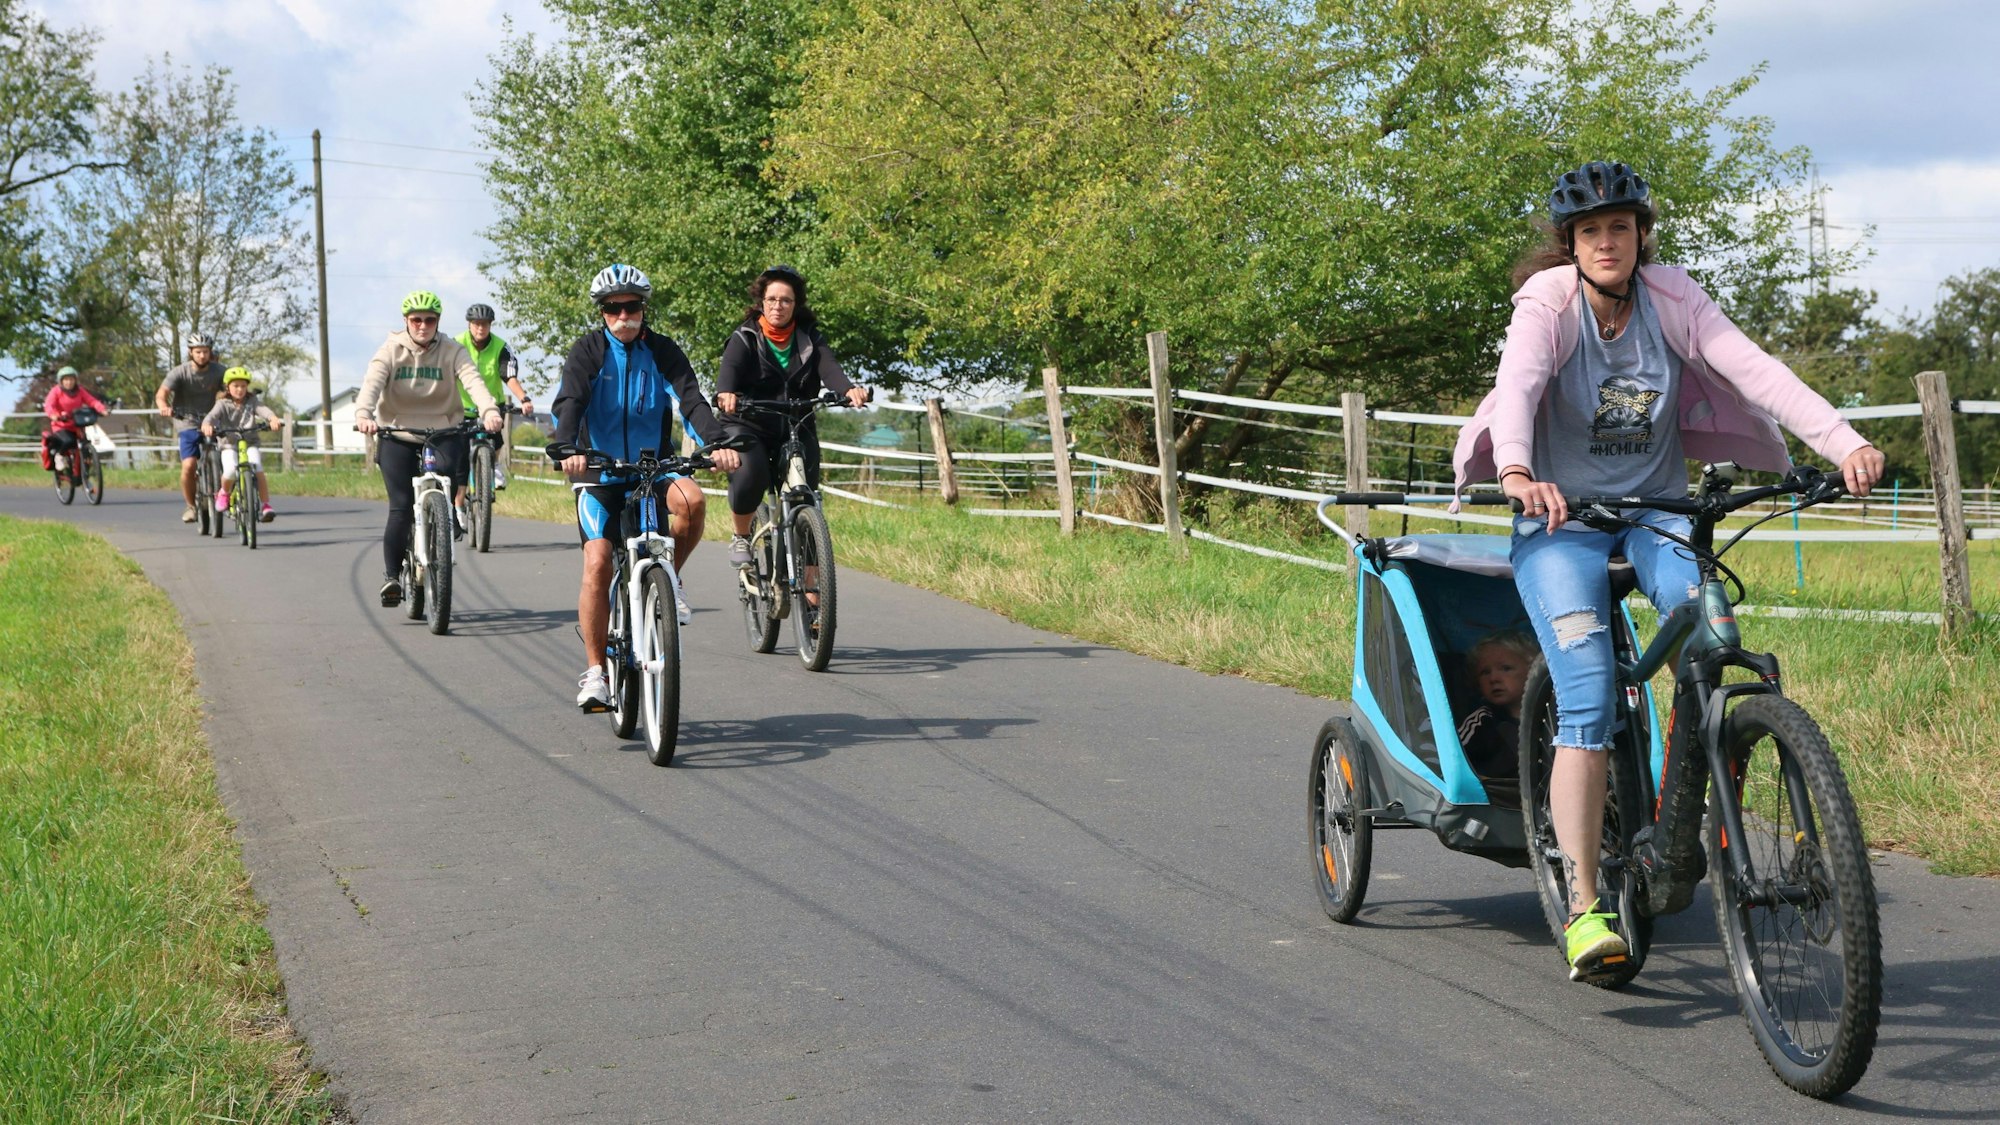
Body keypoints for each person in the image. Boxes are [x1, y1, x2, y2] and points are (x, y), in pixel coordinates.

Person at [1452, 160, 1886, 982]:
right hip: (1559, 520)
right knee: (1587, 695)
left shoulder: (1673, 296)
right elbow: (1519, 385)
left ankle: (1701, 804)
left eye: (1619, 227)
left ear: (1641, 234)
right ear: (1570, 244)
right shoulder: (1548, 304)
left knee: (1709, 628)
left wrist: (1843, 441)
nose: (1605, 242)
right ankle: (1585, 903)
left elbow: (1755, 369)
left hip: (1656, 512)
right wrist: (1516, 470)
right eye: (1589, 231)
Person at [551, 264, 741, 712]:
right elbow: (570, 401)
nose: (624, 316)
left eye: (632, 306)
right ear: (602, 312)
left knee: (692, 501)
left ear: (643, 308)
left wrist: (717, 442)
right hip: (599, 473)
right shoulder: (588, 350)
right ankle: (596, 672)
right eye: (613, 308)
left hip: (652, 469)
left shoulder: (662, 350)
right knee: (598, 561)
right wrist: (567, 447)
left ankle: (670, 578)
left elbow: (690, 399)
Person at [714, 264, 869, 570]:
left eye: (786, 300)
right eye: (772, 299)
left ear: (796, 304)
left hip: (796, 426)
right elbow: (729, 372)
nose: (778, 306)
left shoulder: (810, 339)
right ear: (761, 302)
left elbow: (830, 369)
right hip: (748, 423)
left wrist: (848, 389)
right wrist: (726, 393)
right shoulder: (745, 337)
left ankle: (812, 589)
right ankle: (741, 535)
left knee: (807, 499)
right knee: (751, 474)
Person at [354, 291, 503, 607]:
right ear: (406, 321)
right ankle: (393, 577)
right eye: (416, 320)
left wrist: (489, 411)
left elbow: (473, 380)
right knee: (400, 506)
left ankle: (444, 521)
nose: (423, 325)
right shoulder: (390, 350)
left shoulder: (452, 350)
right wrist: (364, 414)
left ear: (438, 321)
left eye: (430, 320)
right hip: (397, 433)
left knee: (446, 487)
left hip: (443, 430)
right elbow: (372, 384)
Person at [456, 301, 533, 499]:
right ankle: (459, 504)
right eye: (476, 324)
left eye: (485, 324)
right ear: (469, 324)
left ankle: (494, 464)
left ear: (490, 325)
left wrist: (524, 398)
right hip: (462, 407)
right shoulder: (456, 344)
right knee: (459, 458)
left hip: (492, 406)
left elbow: (509, 376)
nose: (480, 328)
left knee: (496, 439)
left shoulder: (500, 347)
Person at [156, 333, 227, 522]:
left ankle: (226, 496)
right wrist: (163, 406)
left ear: (210, 352)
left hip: (213, 421)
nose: (202, 355)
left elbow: (233, 388)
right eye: (198, 352)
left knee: (227, 459)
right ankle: (191, 507)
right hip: (187, 421)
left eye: (205, 352)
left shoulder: (220, 371)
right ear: (190, 352)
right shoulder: (179, 372)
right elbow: (162, 394)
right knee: (189, 466)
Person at [200, 367, 284, 522]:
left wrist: (273, 419)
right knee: (230, 470)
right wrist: (207, 425)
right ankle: (224, 493)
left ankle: (265, 505)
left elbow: (264, 411)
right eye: (236, 386)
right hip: (229, 444)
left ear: (247, 387)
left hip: (250, 443)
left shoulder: (252, 402)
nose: (239, 389)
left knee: (258, 468)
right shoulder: (222, 404)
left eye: (243, 386)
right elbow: (211, 416)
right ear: (228, 387)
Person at [1455, 630, 1536, 782]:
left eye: (1506, 668)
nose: (1493, 678)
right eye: (1485, 672)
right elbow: (1456, 763)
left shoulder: (1550, 715)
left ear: (1531, 671)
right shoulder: (1481, 722)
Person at [42, 366, 109, 473]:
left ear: (75, 380)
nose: (69, 382)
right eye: (66, 379)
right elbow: (49, 405)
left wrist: (102, 409)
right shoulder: (56, 391)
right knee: (69, 441)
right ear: (61, 381)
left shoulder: (80, 390)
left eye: (71, 379)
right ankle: (59, 456)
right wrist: (54, 415)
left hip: (77, 425)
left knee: (85, 446)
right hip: (61, 426)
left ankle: (85, 472)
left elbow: (92, 401)